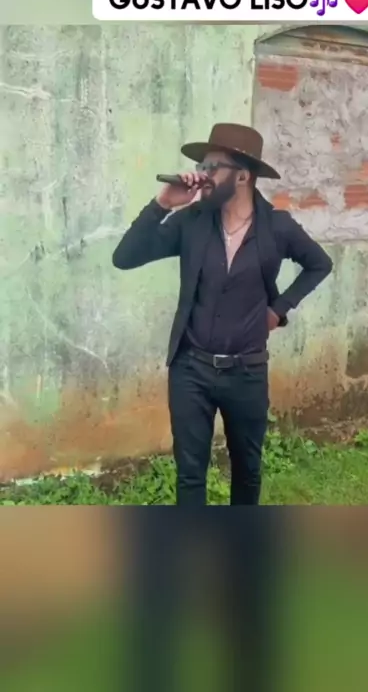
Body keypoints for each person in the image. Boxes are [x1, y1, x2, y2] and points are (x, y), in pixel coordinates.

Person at [112, 123, 333, 505]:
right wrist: (163, 203)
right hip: (191, 370)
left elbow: (319, 264)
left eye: (212, 166)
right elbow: (125, 257)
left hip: (246, 372)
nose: (201, 174)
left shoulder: (277, 227)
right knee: (190, 473)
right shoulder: (191, 221)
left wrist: (278, 309)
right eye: (201, 165)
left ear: (243, 175)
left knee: (247, 469)